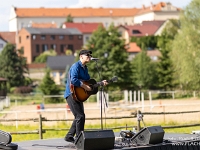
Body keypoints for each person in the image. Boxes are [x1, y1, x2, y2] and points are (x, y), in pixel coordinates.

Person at [63, 49, 108, 143]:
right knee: (80, 116)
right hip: (71, 94)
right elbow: (73, 80)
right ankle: (79, 139)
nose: (89, 56)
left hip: (78, 96)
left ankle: (69, 136)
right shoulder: (76, 66)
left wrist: (99, 83)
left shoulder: (85, 68)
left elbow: (88, 81)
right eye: (87, 55)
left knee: (79, 116)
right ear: (81, 57)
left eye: (90, 55)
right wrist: (84, 86)